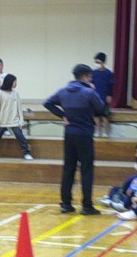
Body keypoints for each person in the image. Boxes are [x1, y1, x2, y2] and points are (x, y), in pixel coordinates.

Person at [44, 63, 105, 215]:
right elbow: (101, 108)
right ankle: (86, 206)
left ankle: (66, 204)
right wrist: (93, 90)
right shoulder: (88, 92)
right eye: (90, 77)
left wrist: (62, 115)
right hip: (84, 134)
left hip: (69, 134)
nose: (90, 80)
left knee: (68, 168)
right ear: (84, 76)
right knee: (86, 170)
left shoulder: (63, 91)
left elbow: (47, 103)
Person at [0, 74, 34, 161]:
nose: (16, 83)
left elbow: (19, 107)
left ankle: (26, 153)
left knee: (20, 136)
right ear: (10, 82)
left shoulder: (16, 94)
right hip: (3, 120)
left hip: (14, 120)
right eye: (15, 82)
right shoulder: (0, 93)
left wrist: (21, 120)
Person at [92, 52, 114, 138]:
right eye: (96, 62)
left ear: (103, 62)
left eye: (98, 62)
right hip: (95, 97)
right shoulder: (93, 73)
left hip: (105, 96)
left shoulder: (108, 73)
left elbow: (111, 85)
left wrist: (109, 95)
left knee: (105, 116)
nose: (97, 64)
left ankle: (106, 132)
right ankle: (97, 131)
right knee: (96, 116)